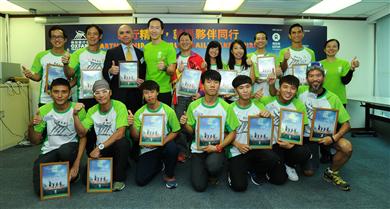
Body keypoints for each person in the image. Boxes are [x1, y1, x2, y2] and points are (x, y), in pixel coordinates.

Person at [180, 70, 240, 192]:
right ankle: (203, 169)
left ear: (219, 85)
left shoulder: (226, 107)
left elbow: (233, 132)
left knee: (213, 165)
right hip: (198, 148)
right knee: (199, 187)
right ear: (203, 85)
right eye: (209, 82)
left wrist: (218, 147)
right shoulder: (193, 105)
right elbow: (191, 132)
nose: (212, 85)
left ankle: (213, 172)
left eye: (216, 82)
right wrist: (185, 124)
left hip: (216, 148)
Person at [297, 63, 353, 191]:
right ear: (306, 79)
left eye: (318, 75)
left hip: (327, 137)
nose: (315, 78)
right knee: (309, 172)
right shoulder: (299, 91)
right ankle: (303, 159)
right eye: (311, 76)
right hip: (306, 137)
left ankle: (332, 172)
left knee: (347, 147)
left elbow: (346, 124)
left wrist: (334, 138)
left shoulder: (333, 98)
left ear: (324, 78)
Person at [227, 75, 287, 192]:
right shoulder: (229, 108)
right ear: (235, 91)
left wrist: (268, 117)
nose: (245, 90)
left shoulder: (259, 106)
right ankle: (233, 170)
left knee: (274, 162)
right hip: (237, 150)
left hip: (256, 147)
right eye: (241, 88)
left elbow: (266, 130)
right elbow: (223, 133)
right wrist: (237, 144)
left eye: (248, 87)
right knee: (239, 187)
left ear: (252, 88)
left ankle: (255, 169)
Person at [28, 78, 86, 196]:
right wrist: (30, 126)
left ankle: (72, 171)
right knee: (41, 191)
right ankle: (59, 168)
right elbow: (35, 141)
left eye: (64, 92)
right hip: (50, 149)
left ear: (70, 93)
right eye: (56, 92)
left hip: (69, 149)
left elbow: (83, 136)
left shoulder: (78, 109)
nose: (60, 95)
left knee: (64, 151)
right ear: (50, 93)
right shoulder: (44, 110)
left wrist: (76, 164)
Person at [73, 79, 130, 191]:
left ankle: (119, 179)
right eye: (97, 93)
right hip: (102, 150)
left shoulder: (119, 106)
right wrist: (75, 115)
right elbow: (82, 132)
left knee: (123, 142)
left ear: (110, 93)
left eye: (104, 91)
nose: (101, 95)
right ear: (94, 96)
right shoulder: (92, 111)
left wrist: (99, 148)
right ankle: (117, 166)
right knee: (86, 181)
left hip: (113, 146)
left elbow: (120, 133)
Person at [129, 80, 180, 189]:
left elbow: (175, 131)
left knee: (172, 148)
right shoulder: (139, 113)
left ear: (157, 92)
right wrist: (131, 125)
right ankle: (158, 164)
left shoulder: (168, 110)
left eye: (152, 92)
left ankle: (169, 174)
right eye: (146, 93)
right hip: (147, 148)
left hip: (164, 145)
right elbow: (135, 137)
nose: (149, 95)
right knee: (140, 181)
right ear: (143, 95)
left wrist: (161, 142)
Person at [259, 75, 311, 181]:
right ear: (279, 88)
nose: (288, 91)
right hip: (272, 144)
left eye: (292, 88)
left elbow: (302, 127)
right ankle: (276, 166)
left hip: (288, 142)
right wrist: (260, 111)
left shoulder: (299, 105)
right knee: (279, 179)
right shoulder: (266, 101)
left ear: (296, 91)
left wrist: (292, 144)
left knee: (305, 152)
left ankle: (289, 164)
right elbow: (249, 104)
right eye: (285, 87)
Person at [171, 32, 207, 162]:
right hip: (180, 96)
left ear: (191, 43)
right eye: (182, 40)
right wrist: (177, 72)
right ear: (178, 43)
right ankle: (182, 151)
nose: (185, 42)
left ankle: (194, 148)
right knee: (180, 124)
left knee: (193, 123)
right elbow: (171, 80)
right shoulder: (174, 59)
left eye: (187, 40)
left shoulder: (198, 58)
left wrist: (201, 93)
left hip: (194, 97)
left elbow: (204, 79)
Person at [102, 24, 146, 113]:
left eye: (127, 32)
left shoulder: (140, 53)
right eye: (122, 33)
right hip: (118, 95)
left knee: (134, 123)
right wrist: (110, 71)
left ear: (133, 35)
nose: (125, 35)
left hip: (136, 95)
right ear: (118, 36)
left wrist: (141, 81)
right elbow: (105, 72)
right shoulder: (111, 52)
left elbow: (143, 72)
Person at [22, 25, 71, 106]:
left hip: (65, 99)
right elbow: (38, 77)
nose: (57, 39)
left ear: (65, 39)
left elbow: (74, 78)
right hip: (46, 99)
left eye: (59, 37)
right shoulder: (41, 56)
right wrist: (30, 75)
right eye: (53, 37)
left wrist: (65, 88)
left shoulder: (71, 56)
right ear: (50, 40)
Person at [65, 24, 106, 110]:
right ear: (86, 36)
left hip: (102, 96)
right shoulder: (78, 53)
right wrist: (66, 65)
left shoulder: (105, 55)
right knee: (84, 122)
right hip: (84, 96)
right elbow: (70, 73)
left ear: (100, 36)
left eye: (95, 34)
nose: (92, 36)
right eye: (89, 34)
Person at [144, 18, 176, 106]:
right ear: (148, 30)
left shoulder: (169, 47)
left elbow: (172, 70)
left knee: (164, 118)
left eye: (157, 28)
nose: (154, 30)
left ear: (162, 31)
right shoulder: (146, 47)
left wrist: (165, 68)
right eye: (151, 27)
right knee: (147, 118)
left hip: (163, 90)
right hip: (148, 91)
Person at [320, 39, 360, 107]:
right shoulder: (318, 64)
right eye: (328, 46)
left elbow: (345, 81)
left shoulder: (344, 63)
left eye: (334, 46)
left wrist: (352, 68)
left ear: (338, 49)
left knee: (340, 118)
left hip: (339, 100)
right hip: (322, 100)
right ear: (324, 49)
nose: (331, 48)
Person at [247, 31, 282, 98]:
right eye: (258, 39)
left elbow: (277, 74)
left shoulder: (273, 56)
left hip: (270, 88)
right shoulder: (248, 56)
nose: (260, 40)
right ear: (254, 42)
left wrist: (277, 74)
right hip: (254, 89)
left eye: (263, 38)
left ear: (266, 41)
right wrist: (255, 79)